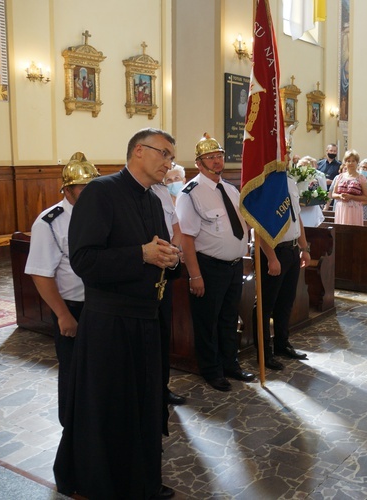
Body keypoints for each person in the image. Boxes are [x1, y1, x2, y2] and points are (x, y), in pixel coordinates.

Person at [54, 128, 181, 500]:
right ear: (139, 151)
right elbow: (84, 260)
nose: (168, 163)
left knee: (144, 405)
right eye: (164, 153)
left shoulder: (154, 200)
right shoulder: (101, 192)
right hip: (110, 323)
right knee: (112, 409)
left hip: (147, 318)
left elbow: (156, 249)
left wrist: (170, 258)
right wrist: (140, 255)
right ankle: (106, 485)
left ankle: (140, 481)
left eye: (171, 157)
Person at [25, 152, 100, 426]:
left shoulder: (102, 215)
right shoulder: (50, 222)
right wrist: (63, 315)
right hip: (73, 308)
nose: (91, 191)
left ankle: (97, 423)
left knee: (101, 369)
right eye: (84, 186)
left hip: (103, 306)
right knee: (74, 371)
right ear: (67, 190)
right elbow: (41, 274)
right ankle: (72, 426)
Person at [176, 135, 254, 392]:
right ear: (198, 163)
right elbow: (187, 238)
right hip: (208, 268)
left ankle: (230, 363)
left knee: (229, 318)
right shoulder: (190, 194)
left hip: (233, 266)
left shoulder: (230, 189)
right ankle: (211, 370)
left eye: (219, 156)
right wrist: (195, 276)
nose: (217, 161)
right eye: (210, 157)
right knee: (207, 322)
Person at [253, 169, 312, 371]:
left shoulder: (289, 180)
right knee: (265, 304)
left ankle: (281, 344)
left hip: (293, 250)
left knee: (285, 302)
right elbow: (258, 225)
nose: (284, 157)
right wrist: (271, 257)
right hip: (274, 252)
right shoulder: (264, 182)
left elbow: (297, 217)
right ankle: (264, 352)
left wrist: (304, 248)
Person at [152, 167, 188, 412]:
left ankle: (162, 388)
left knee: (163, 334)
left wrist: (172, 252)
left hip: (166, 268)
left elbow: (176, 229)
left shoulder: (164, 193)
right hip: (147, 272)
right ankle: (148, 391)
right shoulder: (133, 193)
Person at [330, 150, 367, 225]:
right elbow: (333, 194)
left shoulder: (361, 178)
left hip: (354, 209)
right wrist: (339, 196)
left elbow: (366, 197)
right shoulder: (340, 177)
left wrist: (351, 197)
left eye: (353, 161)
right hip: (341, 208)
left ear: (357, 162)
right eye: (348, 161)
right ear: (345, 162)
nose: (351, 163)